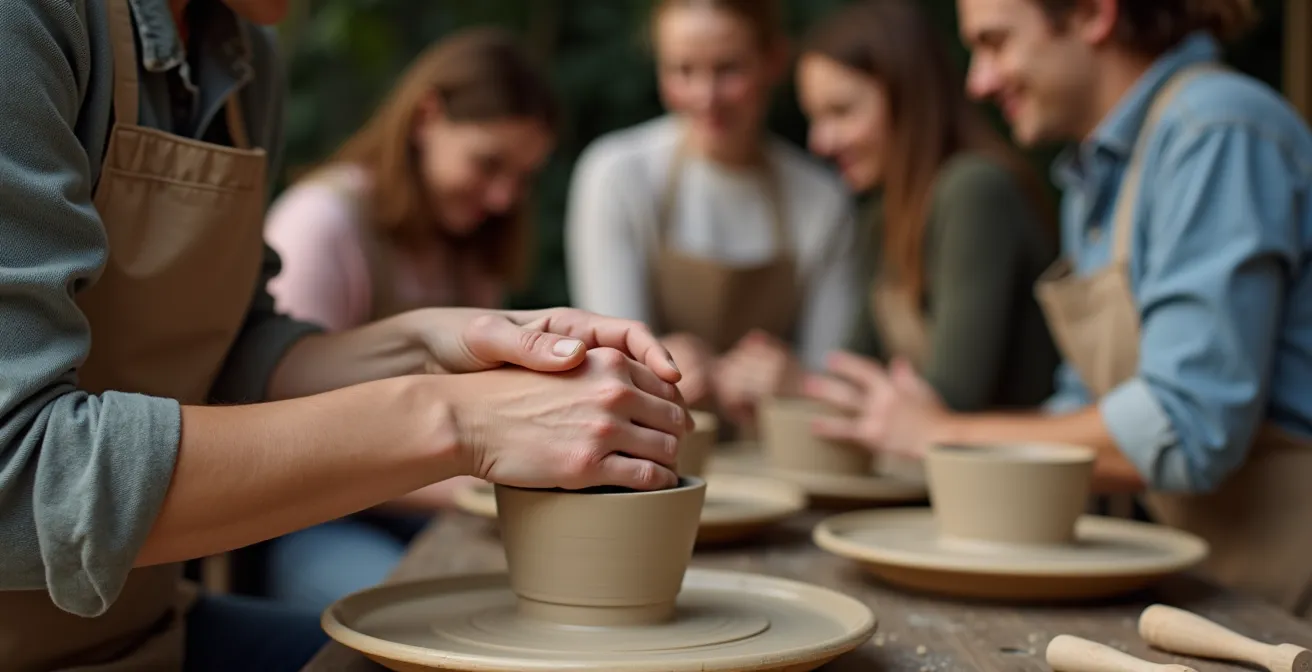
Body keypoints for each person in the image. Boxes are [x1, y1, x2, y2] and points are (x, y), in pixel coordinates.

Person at [0, 2, 692, 671]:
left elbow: (233, 354)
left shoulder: (240, 55)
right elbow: (21, 477)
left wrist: (448, 347)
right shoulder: (26, 23)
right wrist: (457, 419)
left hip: (139, 626)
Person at [804, 0, 1312, 616]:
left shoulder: (1217, 130)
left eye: (995, 43)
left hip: (1288, 604)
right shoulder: (1096, 175)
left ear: (1094, 14)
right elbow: (1080, 406)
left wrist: (945, 434)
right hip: (1203, 587)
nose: (979, 82)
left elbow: (1187, 426)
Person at [260, 27, 558, 613]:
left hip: (434, 508)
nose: (503, 198)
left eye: (522, 178)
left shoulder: (469, 238)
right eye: (489, 163)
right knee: (447, 619)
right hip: (311, 521)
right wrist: (479, 480)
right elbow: (278, 439)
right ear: (426, 116)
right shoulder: (322, 224)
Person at [733, 0, 1058, 415]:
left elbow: (950, 399)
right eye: (815, 117)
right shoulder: (882, 218)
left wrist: (801, 384)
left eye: (841, 112)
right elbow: (851, 366)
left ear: (909, 97)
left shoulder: (974, 190)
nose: (821, 141)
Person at [564, 0, 862, 429]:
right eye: (683, 70)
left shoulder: (821, 199)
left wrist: (797, 380)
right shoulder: (615, 175)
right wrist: (661, 366)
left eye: (728, 69)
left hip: (777, 460)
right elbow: (609, 363)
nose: (706, 97)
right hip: (646, 458)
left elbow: (835, 382)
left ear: (773, 61)